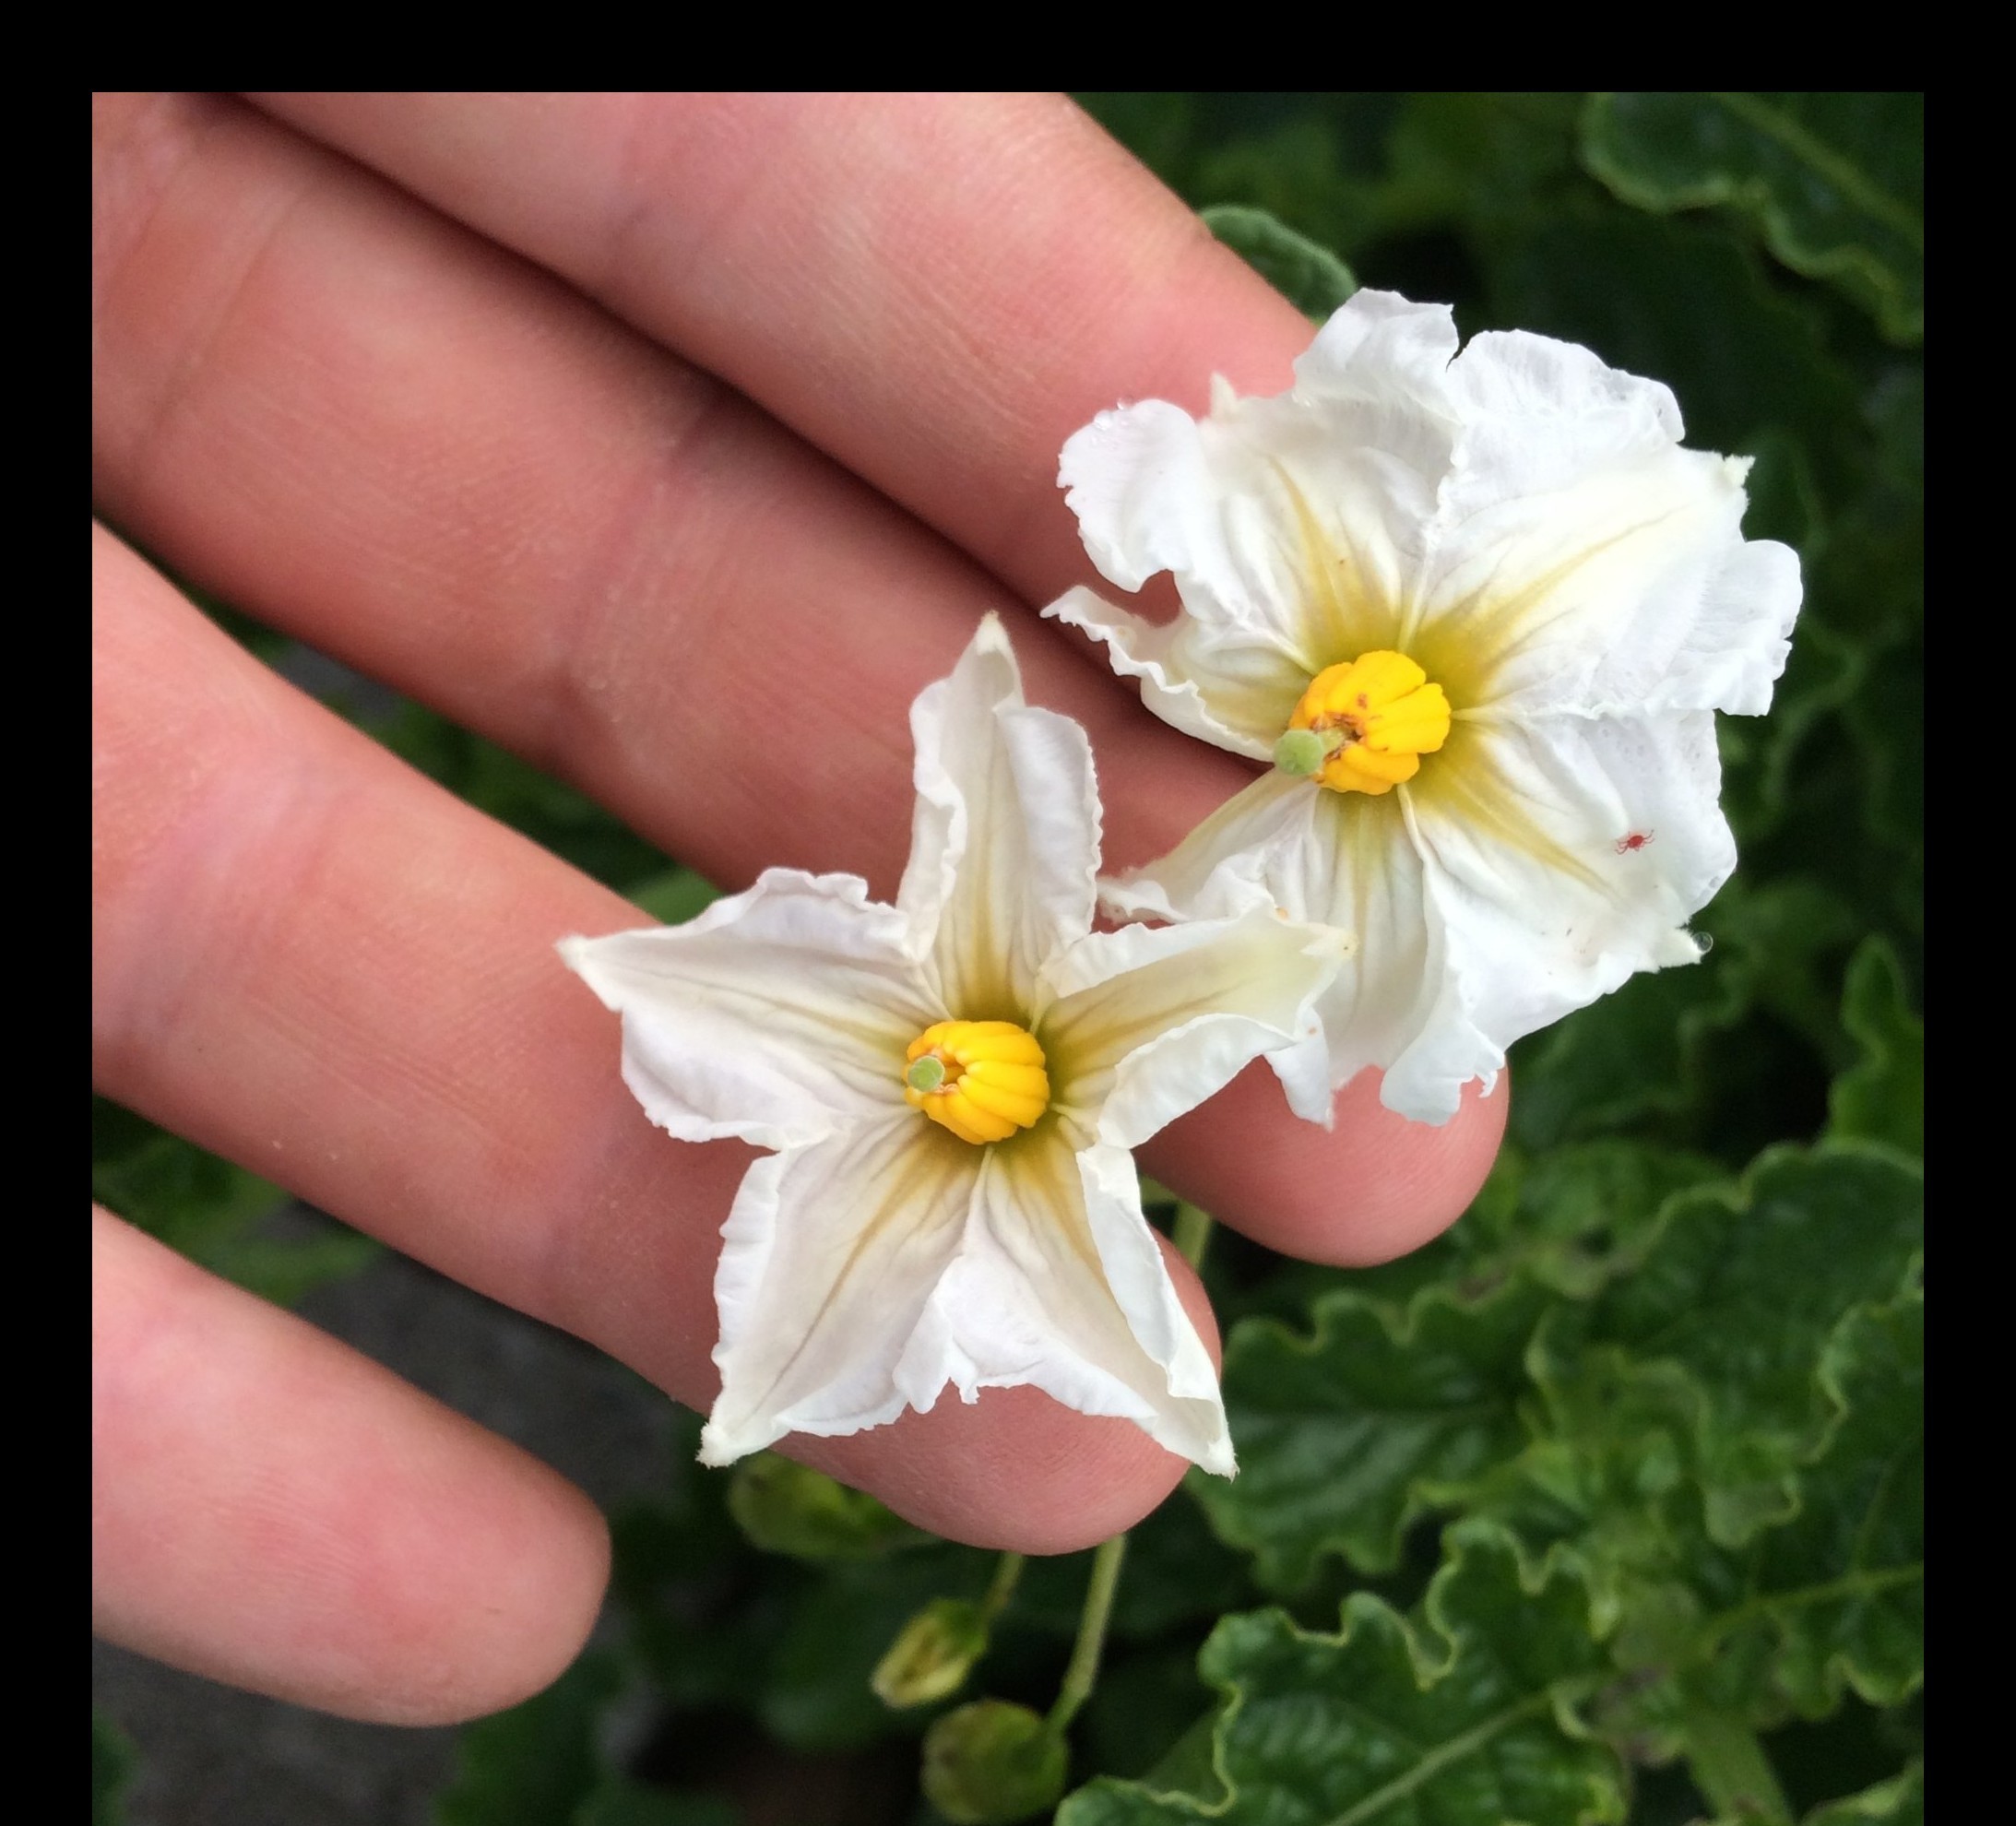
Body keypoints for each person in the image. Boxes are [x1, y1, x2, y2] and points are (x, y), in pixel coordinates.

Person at [91, 94, 1507, 1729]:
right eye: (947, 1076)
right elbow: (975, 846)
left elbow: (1051, 845)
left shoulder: (1012, 1030)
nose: (945, 1070)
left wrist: (1269, 951)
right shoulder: (981, 1044)